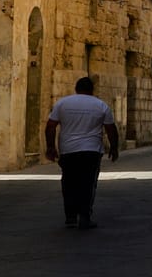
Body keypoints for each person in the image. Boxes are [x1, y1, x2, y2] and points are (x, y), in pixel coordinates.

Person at [45, 77, 119, 230]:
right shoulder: (101, 105)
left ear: (76, 88)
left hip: (68, 150)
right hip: (91, 150)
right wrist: (114, 147)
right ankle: (85, 216)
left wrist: (51, 147)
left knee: (68, 183)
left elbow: (51, 126)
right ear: (92, 90)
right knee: (88, 184)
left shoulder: (62, 103)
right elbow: (111, 129)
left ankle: (70, 217)